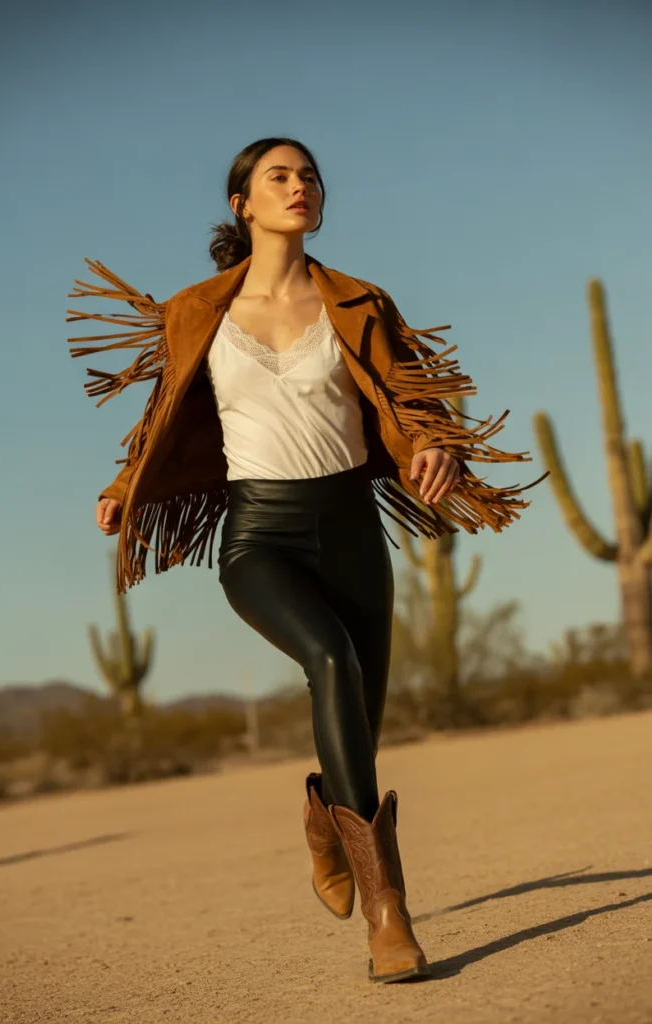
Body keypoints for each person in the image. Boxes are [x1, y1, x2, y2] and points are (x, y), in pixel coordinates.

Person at [67, 136, 541, 984]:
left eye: (310, 175)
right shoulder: (194, 312)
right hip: (260, 535)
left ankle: (328, 815)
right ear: (241, 204)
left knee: (362, 712)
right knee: (329, 657)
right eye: (278, 177)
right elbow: (163, 414)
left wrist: (431, 446)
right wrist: (122, 484)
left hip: (352, 527)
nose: (300, 186)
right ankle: (389, 914)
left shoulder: (357, 302)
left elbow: (411, 398)